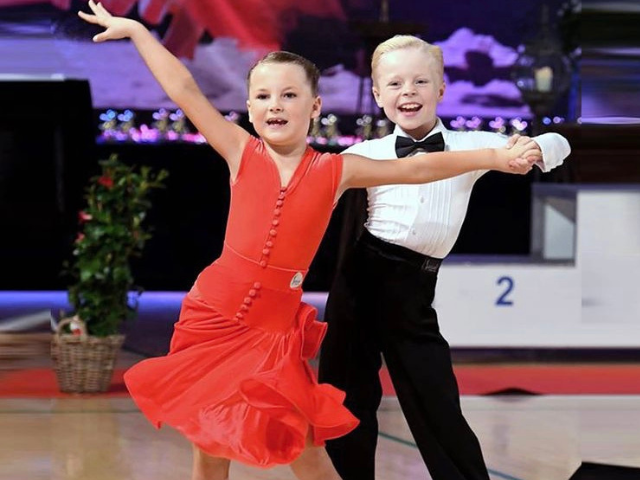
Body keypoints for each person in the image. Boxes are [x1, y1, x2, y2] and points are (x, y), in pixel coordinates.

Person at [78, 5, 542, 480]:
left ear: (315, 106)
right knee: (211, 447)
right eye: (263, 96)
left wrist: (493, 156)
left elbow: (418, 167)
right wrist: (137, 31)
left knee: (306, 449)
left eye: (289, 95)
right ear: (250, 108)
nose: (275, 105)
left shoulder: (336, 170)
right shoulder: (239, 150)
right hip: (215, 317)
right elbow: (184, 89)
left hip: (275, 331)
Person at [318, 35, 572, 480]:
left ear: (441, 89)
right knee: (347, 398)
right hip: (360, 278)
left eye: (420, 81)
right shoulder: (361, 153)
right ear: (377, 95)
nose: (408, 91)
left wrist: (536, 149)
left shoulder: (472, 144)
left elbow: (558, 144)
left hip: (414, 288)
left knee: (436, 400)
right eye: (395, 83)